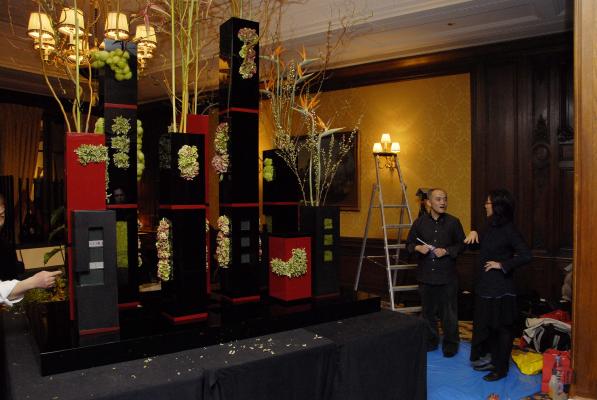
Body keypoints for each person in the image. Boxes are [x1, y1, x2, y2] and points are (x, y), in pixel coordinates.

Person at [464, 189, 532, 382]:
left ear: (497, 206)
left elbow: (526, 255)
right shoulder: (488, 226)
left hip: (501, 288)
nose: (485, 205)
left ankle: (501, 369)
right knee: (490, 327)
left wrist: (502, 264)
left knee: (502, 329)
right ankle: (494, 362)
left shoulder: (509, 229)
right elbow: (477, 246)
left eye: (488, 202)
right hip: (485, 286)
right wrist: (473, 233)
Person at [406, 188, 466, 357]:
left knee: (449, 314)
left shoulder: (454, 222)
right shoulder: (419, 223)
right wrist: (417, 248)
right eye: (438, 199)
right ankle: (431, 341)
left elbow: (462, 245)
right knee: (428, 313)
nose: (443, 202)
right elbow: (408, 245)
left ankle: (451, 345)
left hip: (447, 277)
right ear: (429, 202)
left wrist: (446, 251)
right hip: (426, 276)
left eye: (445, 199)